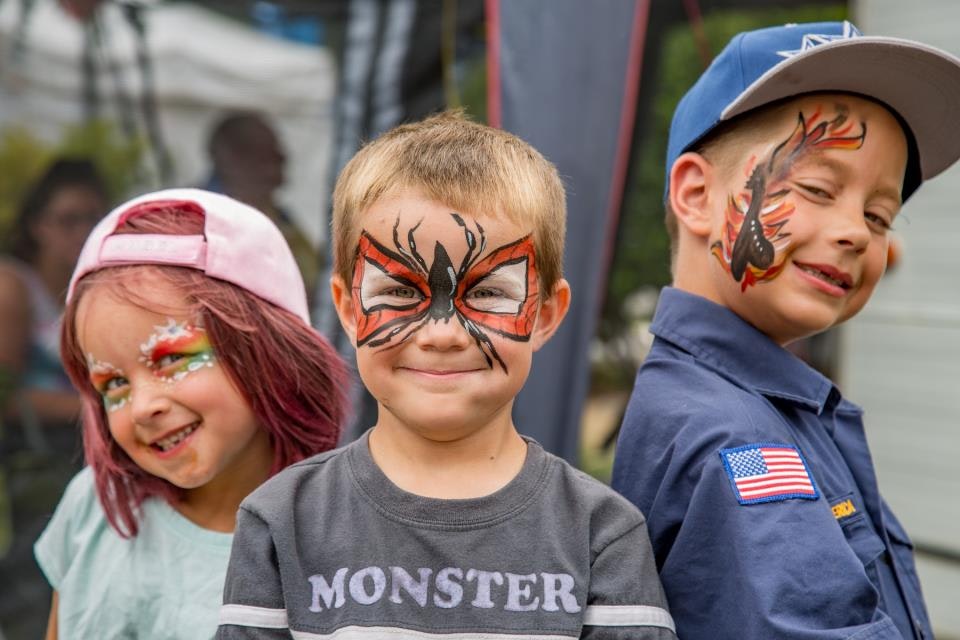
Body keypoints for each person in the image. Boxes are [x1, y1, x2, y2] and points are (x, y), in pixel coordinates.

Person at [217, 112, 677, 639]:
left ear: (545, 314)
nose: (442, 333)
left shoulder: (603, 534)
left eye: (486, 293)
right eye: (398, 293)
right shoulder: (282, 521)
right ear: (347, 308)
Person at [611, 21, 960, 640]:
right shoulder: (734, 436)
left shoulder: (766, 408)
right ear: (695, 195)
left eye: (880, 215)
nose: (856, 231)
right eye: (818, 187)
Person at [33, 189, 348, 639]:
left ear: (271, 350)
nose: (143, 407)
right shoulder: (95, 508)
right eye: (114, 384)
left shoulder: (342, 547)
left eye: (172, 360)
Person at [0, 158, 108, 640]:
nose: (82, 231)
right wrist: (91, 409)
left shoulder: (93, 287)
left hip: (86, 455)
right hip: (31, 463)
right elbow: (5, 394)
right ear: (38, 225)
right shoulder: (12, 286)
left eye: (93, 218)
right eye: (69, 219)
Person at [204, 111, 320, 298]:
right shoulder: (202, 216)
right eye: (267, 154)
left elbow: (316, 276)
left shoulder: (281, 218)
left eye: (278, 154)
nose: (281, 160)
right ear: (229, 159)